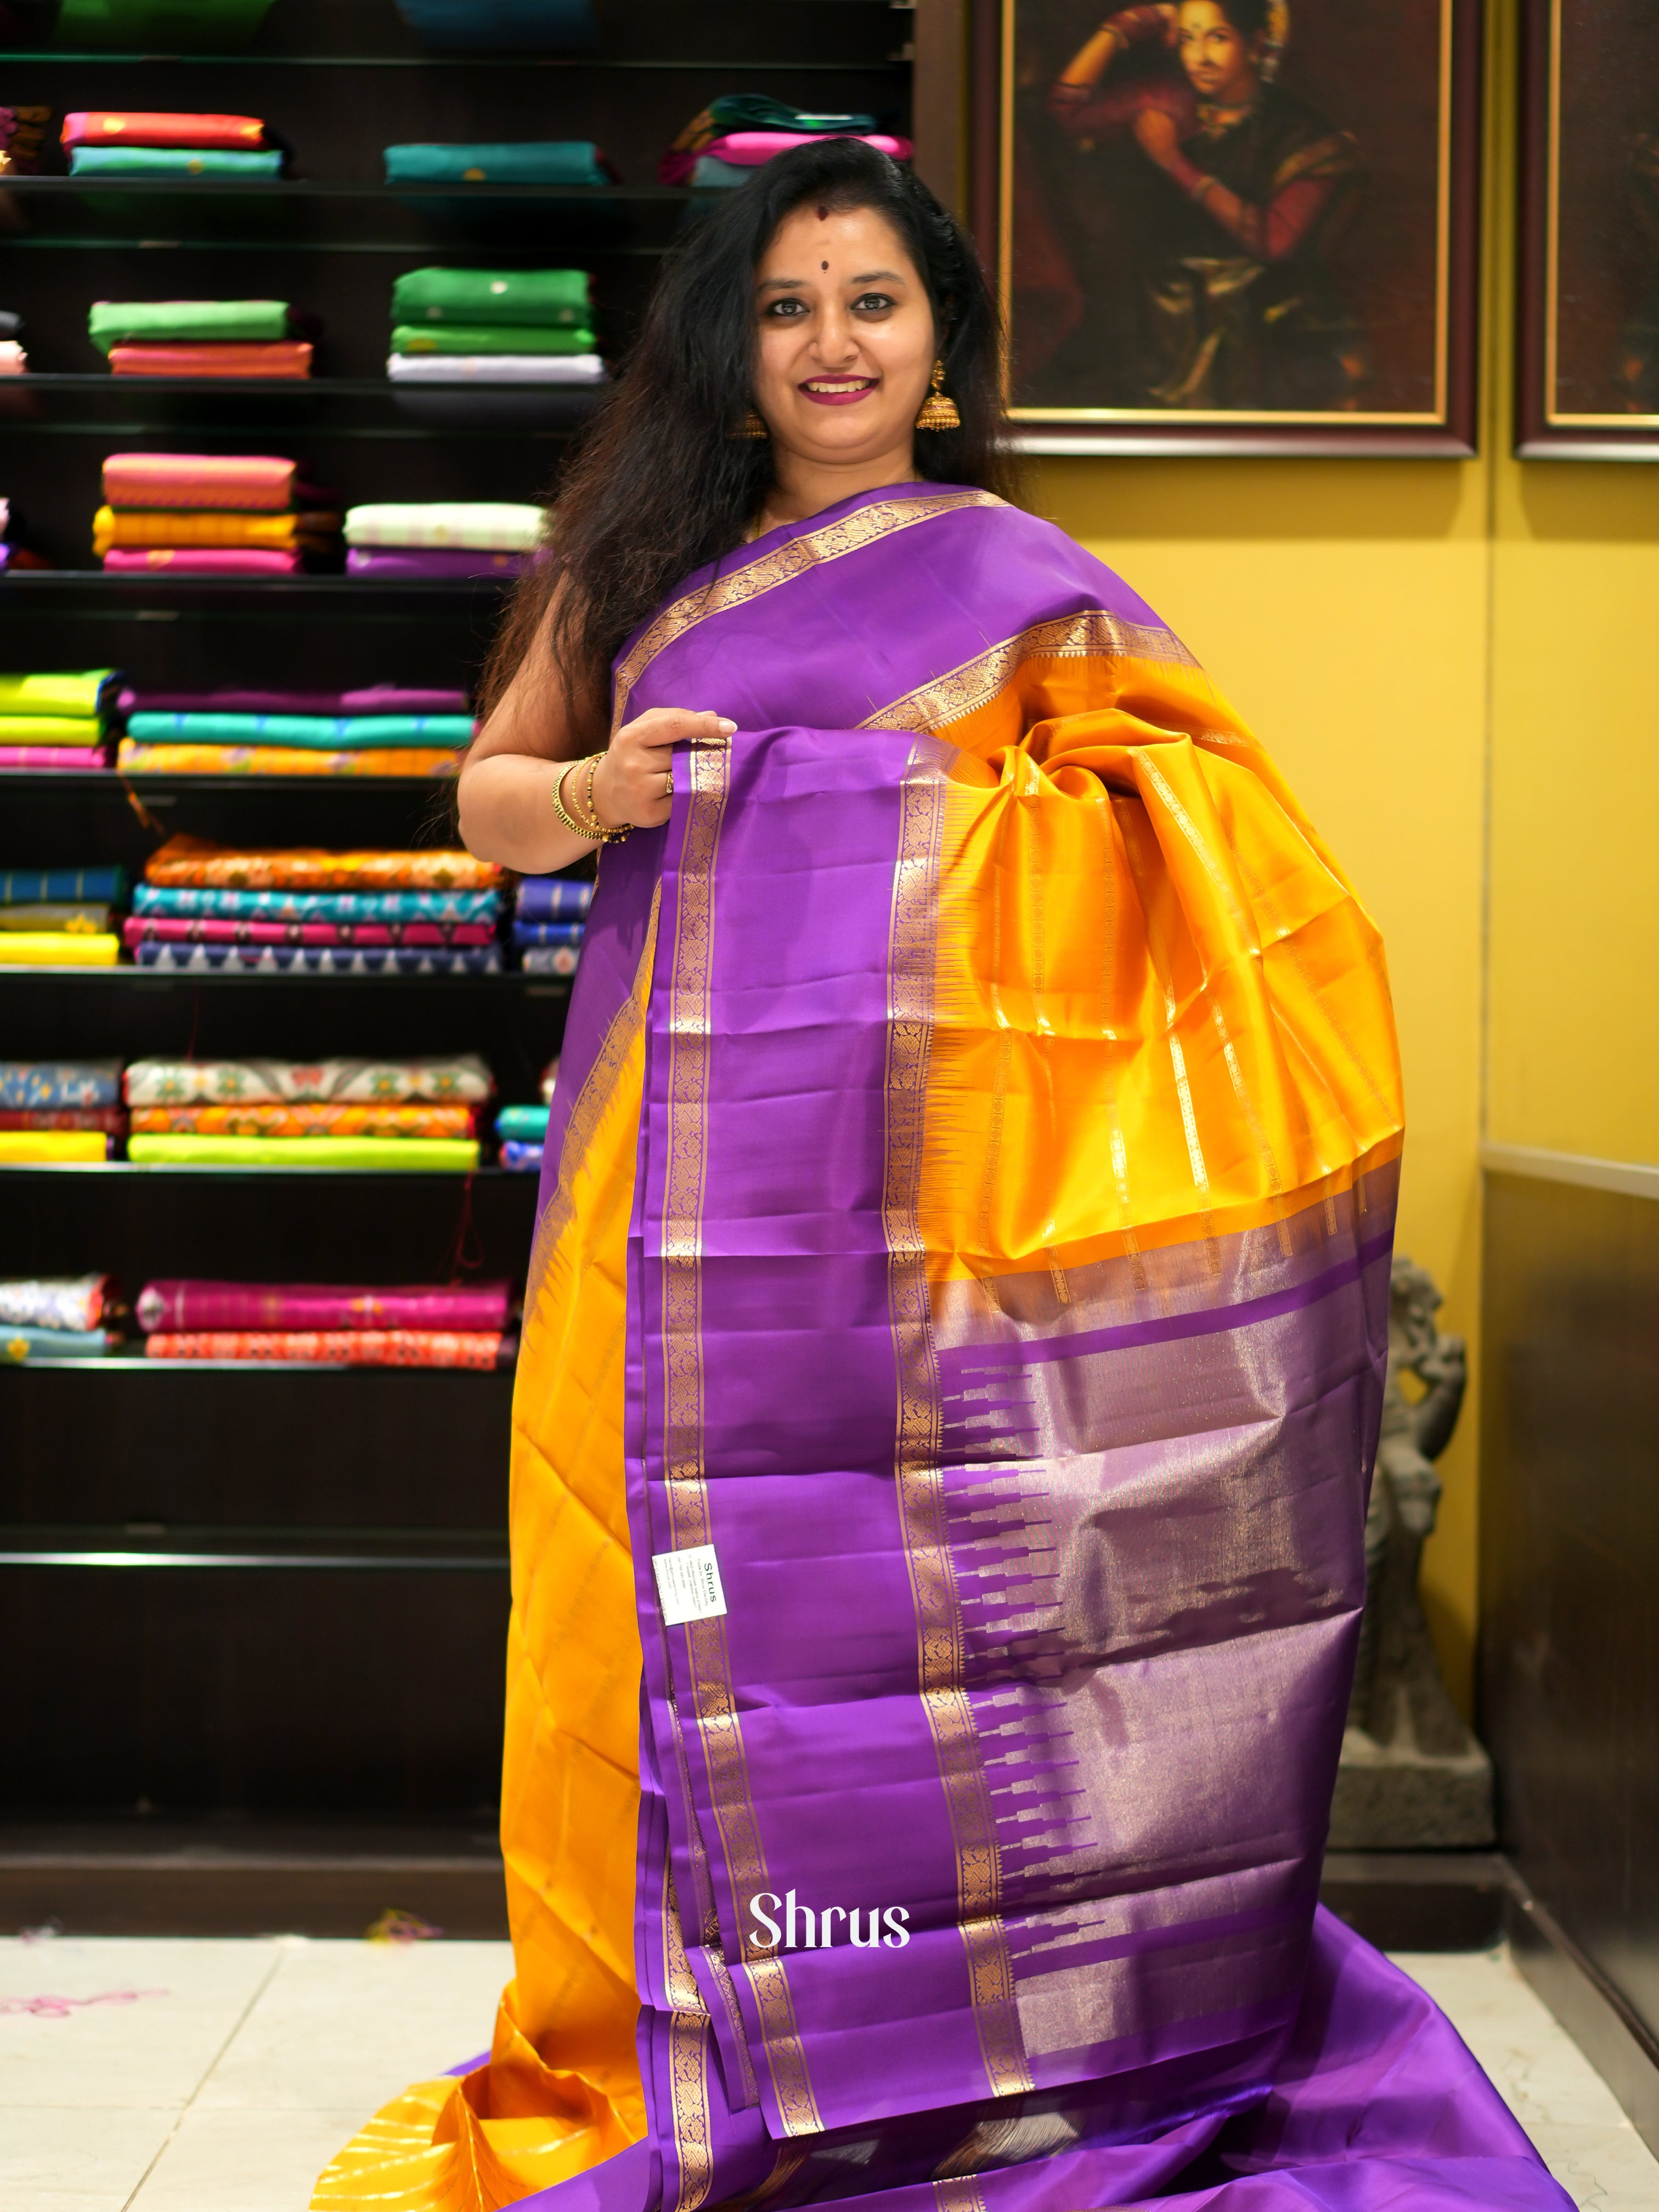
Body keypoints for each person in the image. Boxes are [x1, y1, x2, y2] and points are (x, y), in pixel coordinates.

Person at [313, 138, 1568, 2212]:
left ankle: (968, 2046)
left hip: (927, 1231)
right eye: (789, 304)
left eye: (870, 302)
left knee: (922, 1616)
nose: (829, 342)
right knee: (646, 1613)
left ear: (939, 342)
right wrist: (597, 781)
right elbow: (484, 811)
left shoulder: (1013, 576)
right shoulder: (624, 556)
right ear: (731, 344)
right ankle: (686, 2040)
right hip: (664, 1212)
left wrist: (905, 815)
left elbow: (1191, 840)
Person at [1045, 0, 1368, 408]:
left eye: (1217, 38)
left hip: (1263, 312)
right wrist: (1122, 26)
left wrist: (1174, 163)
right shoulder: (1169, 99)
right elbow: (1065, 112)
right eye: (1187, 40)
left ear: (1254, 44)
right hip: (1161, 308)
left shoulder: (1303, 135)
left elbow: (1273, 241)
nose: (1199, 58)